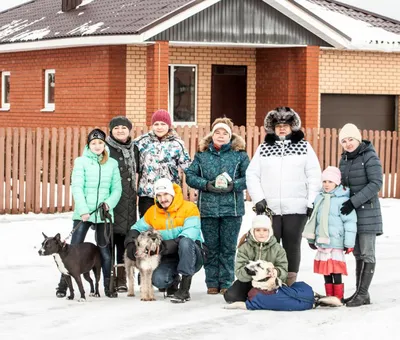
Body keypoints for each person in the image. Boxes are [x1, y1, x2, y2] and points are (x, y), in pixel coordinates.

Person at [246, 107, 321, 286]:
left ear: (292, 127)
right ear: (273, 127)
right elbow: (252, 174)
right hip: (270, 208)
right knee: (269, 245)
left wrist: (311, 201)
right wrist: (259, 199)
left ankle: (289, 282)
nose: (282, 128)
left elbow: (314, 175)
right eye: (278, 125)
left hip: (297, 208)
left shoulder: (304, 147)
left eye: (285, 125)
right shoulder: (264, 148)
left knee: (292, 245)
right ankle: (269, 281)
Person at [185, 118, 250, 294]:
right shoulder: (202, 155)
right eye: (217, 132)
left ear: (231, 136)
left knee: (228, 248)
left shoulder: (240, 155)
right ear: (212, 135)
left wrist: (233, 185)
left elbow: (249, 177)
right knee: (211, 248)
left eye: (225, 133)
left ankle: (227, 282)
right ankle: (212, 282)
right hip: (208, 209)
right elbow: (189, 175)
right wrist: (206, 184)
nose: (221, 136)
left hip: (232, 209)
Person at [56, 129, 122, 298]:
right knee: (70, 249)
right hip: (83, 213)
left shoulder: (112, 163)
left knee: (105, 251)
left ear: (104, 144)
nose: (97, 146)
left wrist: (108, 203)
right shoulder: (81, 162)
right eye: (94, 143)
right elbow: (77, 187)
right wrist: (83, 210)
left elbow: (117, 189)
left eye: (100, 143)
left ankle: (108, 285)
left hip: (103, 214)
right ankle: (64, 284)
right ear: (88, 145)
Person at [124, 178, 203, 303]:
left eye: (166, 194)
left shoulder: (189, 208)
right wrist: (130, 244)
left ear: (172, 193)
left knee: (185, 242)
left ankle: (184, 289)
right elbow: (136, 228)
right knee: (159, 280)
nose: (163, 199)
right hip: (168, 256)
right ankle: (173, 281)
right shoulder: (153, 212)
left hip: (192, 254)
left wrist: (164, 246)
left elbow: (189, 234)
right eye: (159, 195)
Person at [338, 123, 383, 307]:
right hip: (352, 215)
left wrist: (353, 202)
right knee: (357, 254)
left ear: (358, 139)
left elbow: (376, 183)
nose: (348, 144)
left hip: (368, 212)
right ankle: (359, 293)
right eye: (344, 141)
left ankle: (363, 293)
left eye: (351, 140)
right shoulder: (344, 159)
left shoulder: (369, 156)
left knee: (367, 253)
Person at [302, 166, 357, 301]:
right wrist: (311, 239)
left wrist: (349, 243)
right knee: (326, 271)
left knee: (336, 271)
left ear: (337, 183)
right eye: (324, 181)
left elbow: (350, 223)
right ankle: (329, 297)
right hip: (323, 242)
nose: (326, 184)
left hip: (336, 243)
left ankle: (338, 297)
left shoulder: (342, 200)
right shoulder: (319, 199)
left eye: (330, 182)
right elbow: (314, 220)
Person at [134, 109, 191, 218]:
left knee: (168, 227)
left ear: (169, 125)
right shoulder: (141, 142)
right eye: (156, 124)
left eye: (163, 124)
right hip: (147, 194)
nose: (159, 127)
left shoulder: (177, 144)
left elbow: (188, 167)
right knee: (147, 228)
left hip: (168, 194)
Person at [106, 116, 139, 293]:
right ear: (111, 130)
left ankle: (121, 279)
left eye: (124, 128)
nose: (120, 130)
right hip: (111, 202)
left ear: (129, 130)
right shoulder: (105, 148)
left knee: (124, 243)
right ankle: (108, 278)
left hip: (129, 203)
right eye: (116, 127)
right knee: (108, 242)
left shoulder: (134, 149)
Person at [223, 215, 288, 303]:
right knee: (232, 296)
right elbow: (239, 272)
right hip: (248, 281)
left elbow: (284, 270)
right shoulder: (244, 248)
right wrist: (251, 271)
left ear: (270, 231)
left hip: (269, 283)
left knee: (278, 297)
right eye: (258, 230)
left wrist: (276, 272)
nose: (261, 233)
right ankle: (253, 296)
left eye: (265, 230)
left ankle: (259, 297)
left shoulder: (277, 248)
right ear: (252, 231)